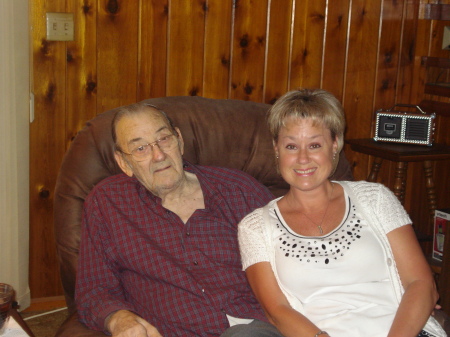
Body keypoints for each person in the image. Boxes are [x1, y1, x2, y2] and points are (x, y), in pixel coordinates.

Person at [238, 88, 447, 337]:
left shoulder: (375, 198)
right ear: (276, 149)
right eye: (291, 146)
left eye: (315, 145)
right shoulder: (255, 227)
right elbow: (277, 310)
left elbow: (422, 284)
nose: (303, 158)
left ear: (335, 144)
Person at [74, 102, 286, 336]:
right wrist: (119, 319)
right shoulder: (108, 203)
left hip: (257, 327)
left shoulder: (239, 190)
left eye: (164, 139)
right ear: (124, 163)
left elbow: (294, 262)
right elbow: (93, 289)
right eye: (140, 148)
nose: (158, 155)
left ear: (180, 141)